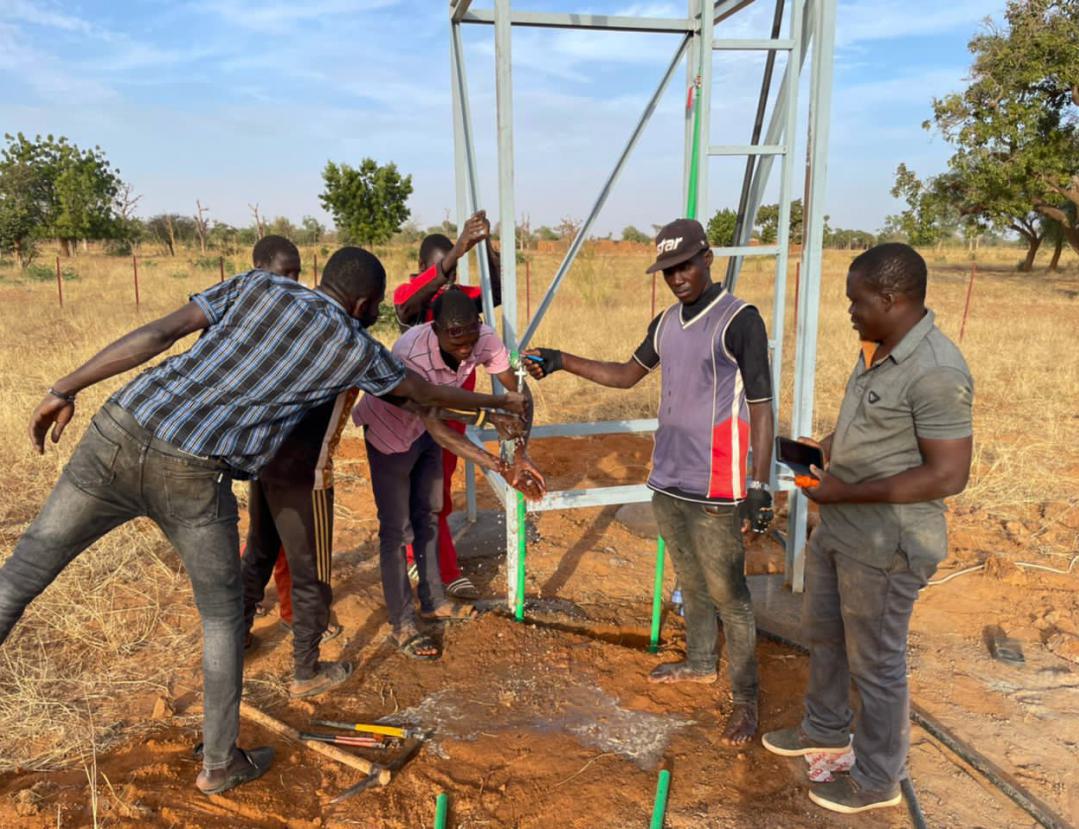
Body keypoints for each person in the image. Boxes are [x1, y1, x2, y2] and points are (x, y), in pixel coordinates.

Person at [0, 246, 527, 796]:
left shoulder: (255, 285)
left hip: (119, 426)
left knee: (18, 579)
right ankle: (220, 764)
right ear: (367, 303)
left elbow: (159, 334)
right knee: (224, 619)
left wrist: (64, 388)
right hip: (194, 471)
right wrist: (502, 406)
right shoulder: (352, 345)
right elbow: (419, 392)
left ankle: (235, 745)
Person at [524, 218, 775, 747]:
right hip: (667, 478)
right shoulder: (665, 324)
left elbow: (762, 404)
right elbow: (624, 375)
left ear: (707, 257)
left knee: (731, 593)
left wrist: (760, 484)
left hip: (718, 485)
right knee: (691, 578)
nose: (677, 278)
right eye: (667, 270)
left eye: (684, 265)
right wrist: (562, 360)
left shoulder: (740, 320)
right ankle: (702, 661)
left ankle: (747, 700)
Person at [762, 243, 973, 815]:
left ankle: (878, 779)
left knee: (877, 665)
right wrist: (823, 449)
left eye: (856, 301)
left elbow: (948, 474)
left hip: (887, 544)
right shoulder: (880, 348)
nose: (849, 310)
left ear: (890, 298)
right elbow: (869, 429)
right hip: (843, 527)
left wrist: (843, 492)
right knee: (825, 633)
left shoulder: (937, 371)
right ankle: (825, 728)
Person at [354, 289, 543, 659]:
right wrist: (498, 460)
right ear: (434, 328)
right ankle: (403, 623)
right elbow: (439, 421)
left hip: (426, 432)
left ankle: (434, 601)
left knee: (429, 513)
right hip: (391, 434)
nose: (466, 349)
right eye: (456, 339)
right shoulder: (412, 352)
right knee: (398, 530)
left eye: (471, 337)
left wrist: (519, 454)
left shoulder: (483, 338)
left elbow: (519, 394)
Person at [238, 236, 359, 700]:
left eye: (295, 275)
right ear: (364, 302)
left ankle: (238, 636)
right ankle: (306, 672)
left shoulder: (276, 323)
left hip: (265, 461)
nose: (290, 284)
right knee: (311, 576)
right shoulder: (345, 339)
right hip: (305, 477)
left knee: (260, 554)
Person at [394, 212, 503, 601]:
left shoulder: (460, 301)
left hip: (454, 414)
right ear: (425, 270)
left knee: (436, 496)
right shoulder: (414, 297)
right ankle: (438, 564)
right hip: (415, 416)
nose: (448, 282)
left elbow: (498, 290)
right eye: (443, 269)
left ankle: (429, 558)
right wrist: (456, 251)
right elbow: (405, 309)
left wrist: (486, 248)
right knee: (419, 493)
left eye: (454, 272)